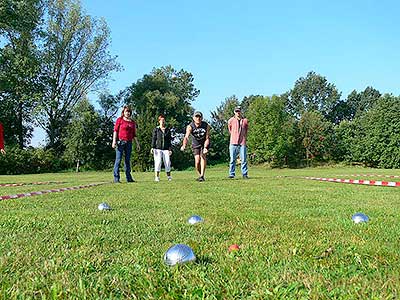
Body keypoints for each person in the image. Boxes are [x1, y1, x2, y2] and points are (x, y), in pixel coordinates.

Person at [112, 105, 140, 183]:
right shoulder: (119, 120)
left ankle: (129, 178)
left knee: (127, 160)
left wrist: (137, 144)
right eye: (126, 111)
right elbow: (115, 131)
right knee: (118, 159)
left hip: (129, 143)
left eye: (129, 112)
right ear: (123, 112)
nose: (127, 113)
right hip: (120, 142)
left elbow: (134, 134)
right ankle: (116, 178)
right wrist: (114, 141)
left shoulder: (132, 122)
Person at [180, 111, 210, 182]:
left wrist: (205, 147)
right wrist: (184, 145)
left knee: (203, 156)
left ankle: (202, 175)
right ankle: (200, 175)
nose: (198, 118)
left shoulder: (206, 125)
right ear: (193, 118)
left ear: (202, 118)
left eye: (199, 117)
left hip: (204, 143)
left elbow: (207, 137)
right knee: (197, 161)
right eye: (196, 117)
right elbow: (186, 137)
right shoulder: (190, 126)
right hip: (196, 144)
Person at [228, 106, 249, 179]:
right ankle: (231, 174)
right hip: (233, 142)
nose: (238, 113)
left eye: (239, 111)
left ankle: (244, 174)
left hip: (242, 142)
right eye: (236, 111)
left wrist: (244, 138)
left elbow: (246, 130)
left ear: (241, 112)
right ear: (234, 112)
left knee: (243, 159)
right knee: (232, 159)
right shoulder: (231, 120)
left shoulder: (245, 120)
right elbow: (230, 129)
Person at [151, 115, 173, 182]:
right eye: (161, 120)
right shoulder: (156, 129)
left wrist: (170, 149)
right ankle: (157, 177)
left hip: (166, 149)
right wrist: (152, 147)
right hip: (157, 148)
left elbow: (169, 140)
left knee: (167, 162)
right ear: (159, 121)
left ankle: (169, 176)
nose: (163, 122)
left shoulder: (168, 130)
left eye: (164, 121)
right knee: (158, 162)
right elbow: (154, 139)